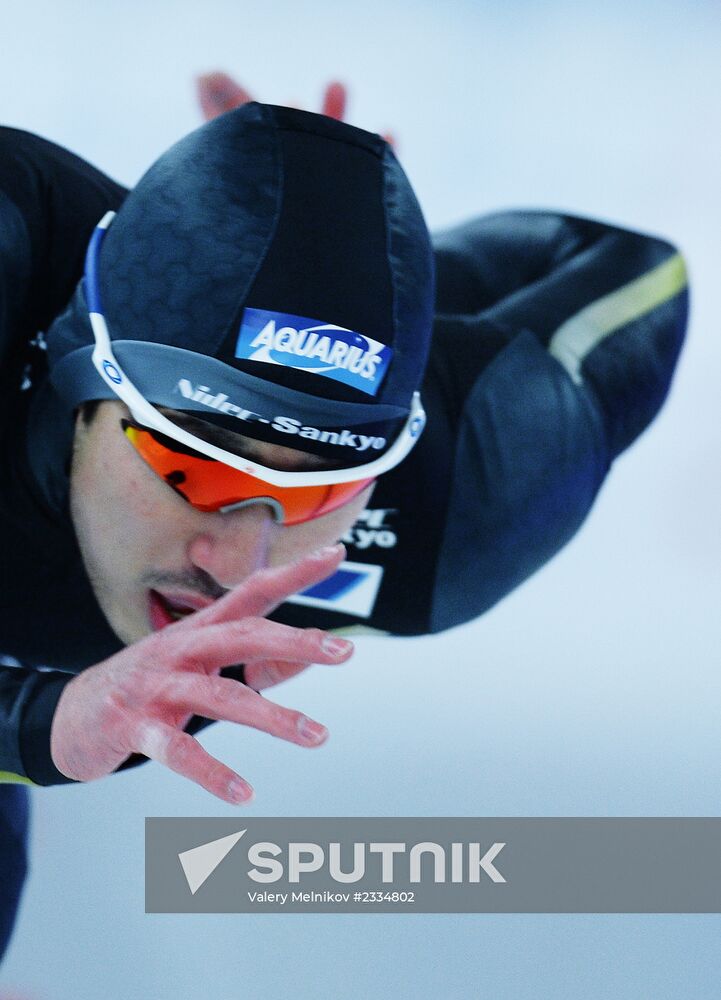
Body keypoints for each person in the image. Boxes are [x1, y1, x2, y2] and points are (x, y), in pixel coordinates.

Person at [0, 92, 688, 962]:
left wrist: (354, 267)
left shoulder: (462, 494)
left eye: (318, 494)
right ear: (77, 381)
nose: (239, 564)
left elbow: (635, 269)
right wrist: (43, 726)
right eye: (195, 470)